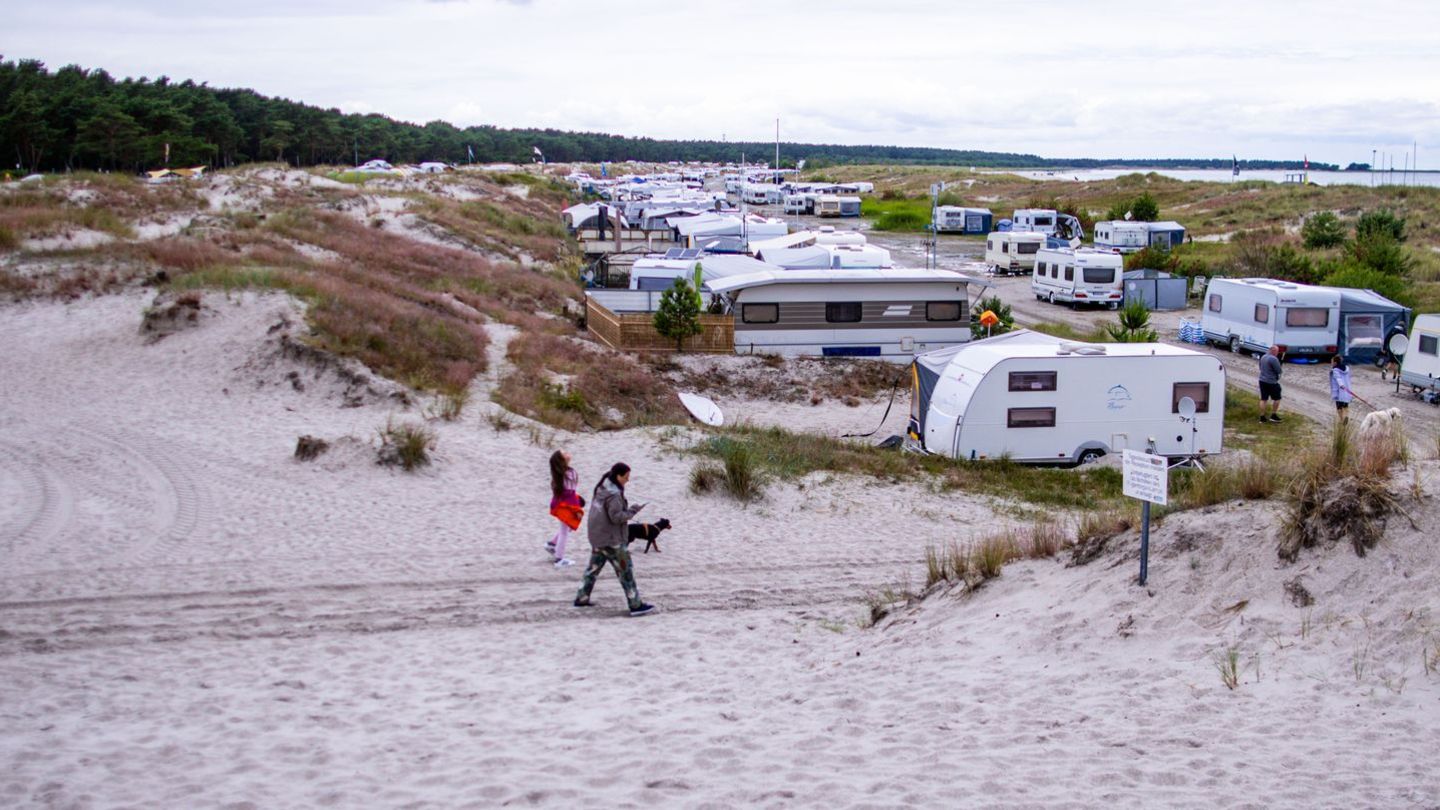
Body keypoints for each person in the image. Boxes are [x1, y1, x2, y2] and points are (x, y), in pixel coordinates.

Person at [574, 463, 655, 617]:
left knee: (593, 568)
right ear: (618, 476)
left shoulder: (602, 487)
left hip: (597, 535)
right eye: (626, 477)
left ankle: (581, 597)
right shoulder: (614, 495)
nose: (627, 480)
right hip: (611, 539)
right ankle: (635, 605)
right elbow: (616, 517)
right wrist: (632, 511)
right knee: (626, 572)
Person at [546, 450, 584, 568]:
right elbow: (569, 494)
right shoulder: (567, 474)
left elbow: (568, 493)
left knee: (567, 528)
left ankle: (552, 544)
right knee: (565, 531)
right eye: (564, 453)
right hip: (565, 506)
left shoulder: (562, 473)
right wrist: (577, 509)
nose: (568, 453)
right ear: (562, 460)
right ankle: (559, 559)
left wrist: (577, 500)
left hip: (560, 504)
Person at [1258, 345, 1284, 423]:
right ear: (1273, 351)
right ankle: (1273, 415)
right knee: (1277, 398)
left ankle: (1262, 417)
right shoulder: (1274, 359)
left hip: (1262, 380)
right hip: (1271, 382)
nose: (1277, 353)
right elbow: (1279, 371)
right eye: (1277, 351)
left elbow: (1260, 367)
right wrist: (1280, 364)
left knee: (1263, 399)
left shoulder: (1263, 357)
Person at [1329, 355, 1354, 421]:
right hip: (1347, 389)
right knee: (1345, 405)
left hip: (1339, 390)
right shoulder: (1347, 368)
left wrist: (1341, 385)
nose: (1331, 363)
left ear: (1335, 363)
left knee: (1339, 406)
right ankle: (1346, 416)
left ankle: (1342, 419)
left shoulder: (1335, 370)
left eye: (1332, 362)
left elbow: (1338, 378)